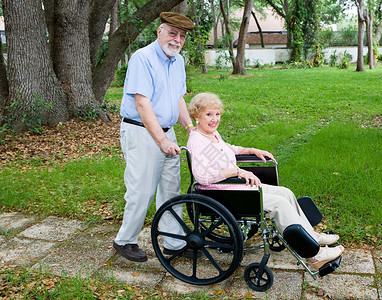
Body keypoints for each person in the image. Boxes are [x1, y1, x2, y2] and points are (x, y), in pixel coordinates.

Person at [186, 92, 344, 269]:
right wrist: (236, 172)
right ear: (196, 116)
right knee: (279, 204)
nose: (214, 119)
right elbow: (203, 177)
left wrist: (251, 150)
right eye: (209, 114)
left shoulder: (212, 135)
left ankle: (312, 236)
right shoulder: (197, 141)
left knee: (286, 193)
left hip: (236, 187)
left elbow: (229, 149)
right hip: (223, 193)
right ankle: (316, 255)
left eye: (217, 114)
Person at [113, 12, 196, 262]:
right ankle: (124, 240)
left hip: (166, 133)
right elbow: (142, 104)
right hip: (142, 132)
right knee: (142, 191)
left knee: (171, 192)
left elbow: (178, 98)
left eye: (182, 36)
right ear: (159, 31)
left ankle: (173, 241)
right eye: (172, 33)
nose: (177, 39)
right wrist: (161, 141)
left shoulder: (177, 61)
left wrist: (191, 129)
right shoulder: (143, 58)